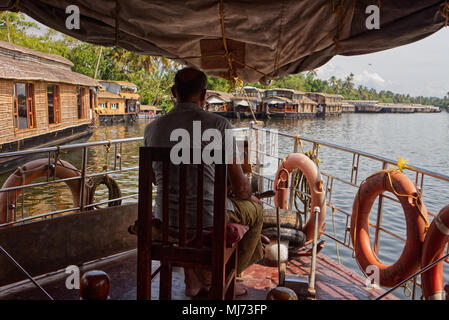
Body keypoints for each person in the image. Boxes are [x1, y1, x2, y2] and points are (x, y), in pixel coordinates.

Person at [144, 67, 263, 297]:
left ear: (173, 92)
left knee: (187, 214)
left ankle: (194, 278)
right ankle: (227, 276)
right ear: (204, 95)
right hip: (209, 225)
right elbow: (240, 188)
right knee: (256, 211)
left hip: (165, 222)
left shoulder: (152, 129)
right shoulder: (219, 126)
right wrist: (249, 193)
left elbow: (154, 182)